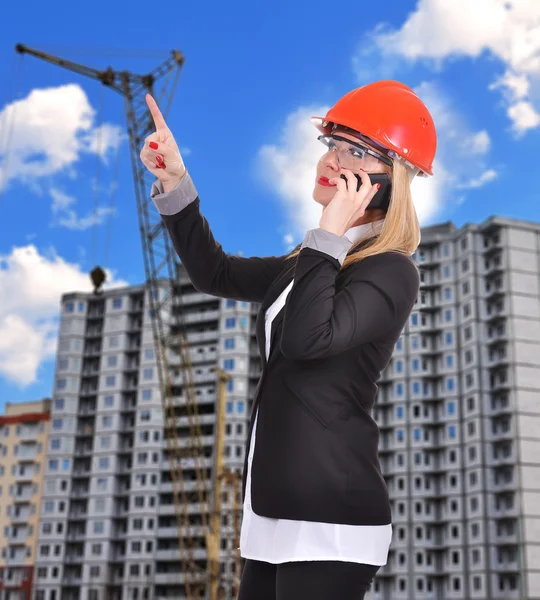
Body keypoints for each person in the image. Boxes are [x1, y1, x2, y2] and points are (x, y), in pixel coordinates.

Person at [140, 80, 437, 600]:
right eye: (333, 143)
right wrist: (176, 180)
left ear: (390, 181)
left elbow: (307, 341)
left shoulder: (391, 271)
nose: (333, 158)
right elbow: (216, 273)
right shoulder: (310, 263)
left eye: (356, 150)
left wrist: (329, 233)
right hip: (270, 505)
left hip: (331, 516)